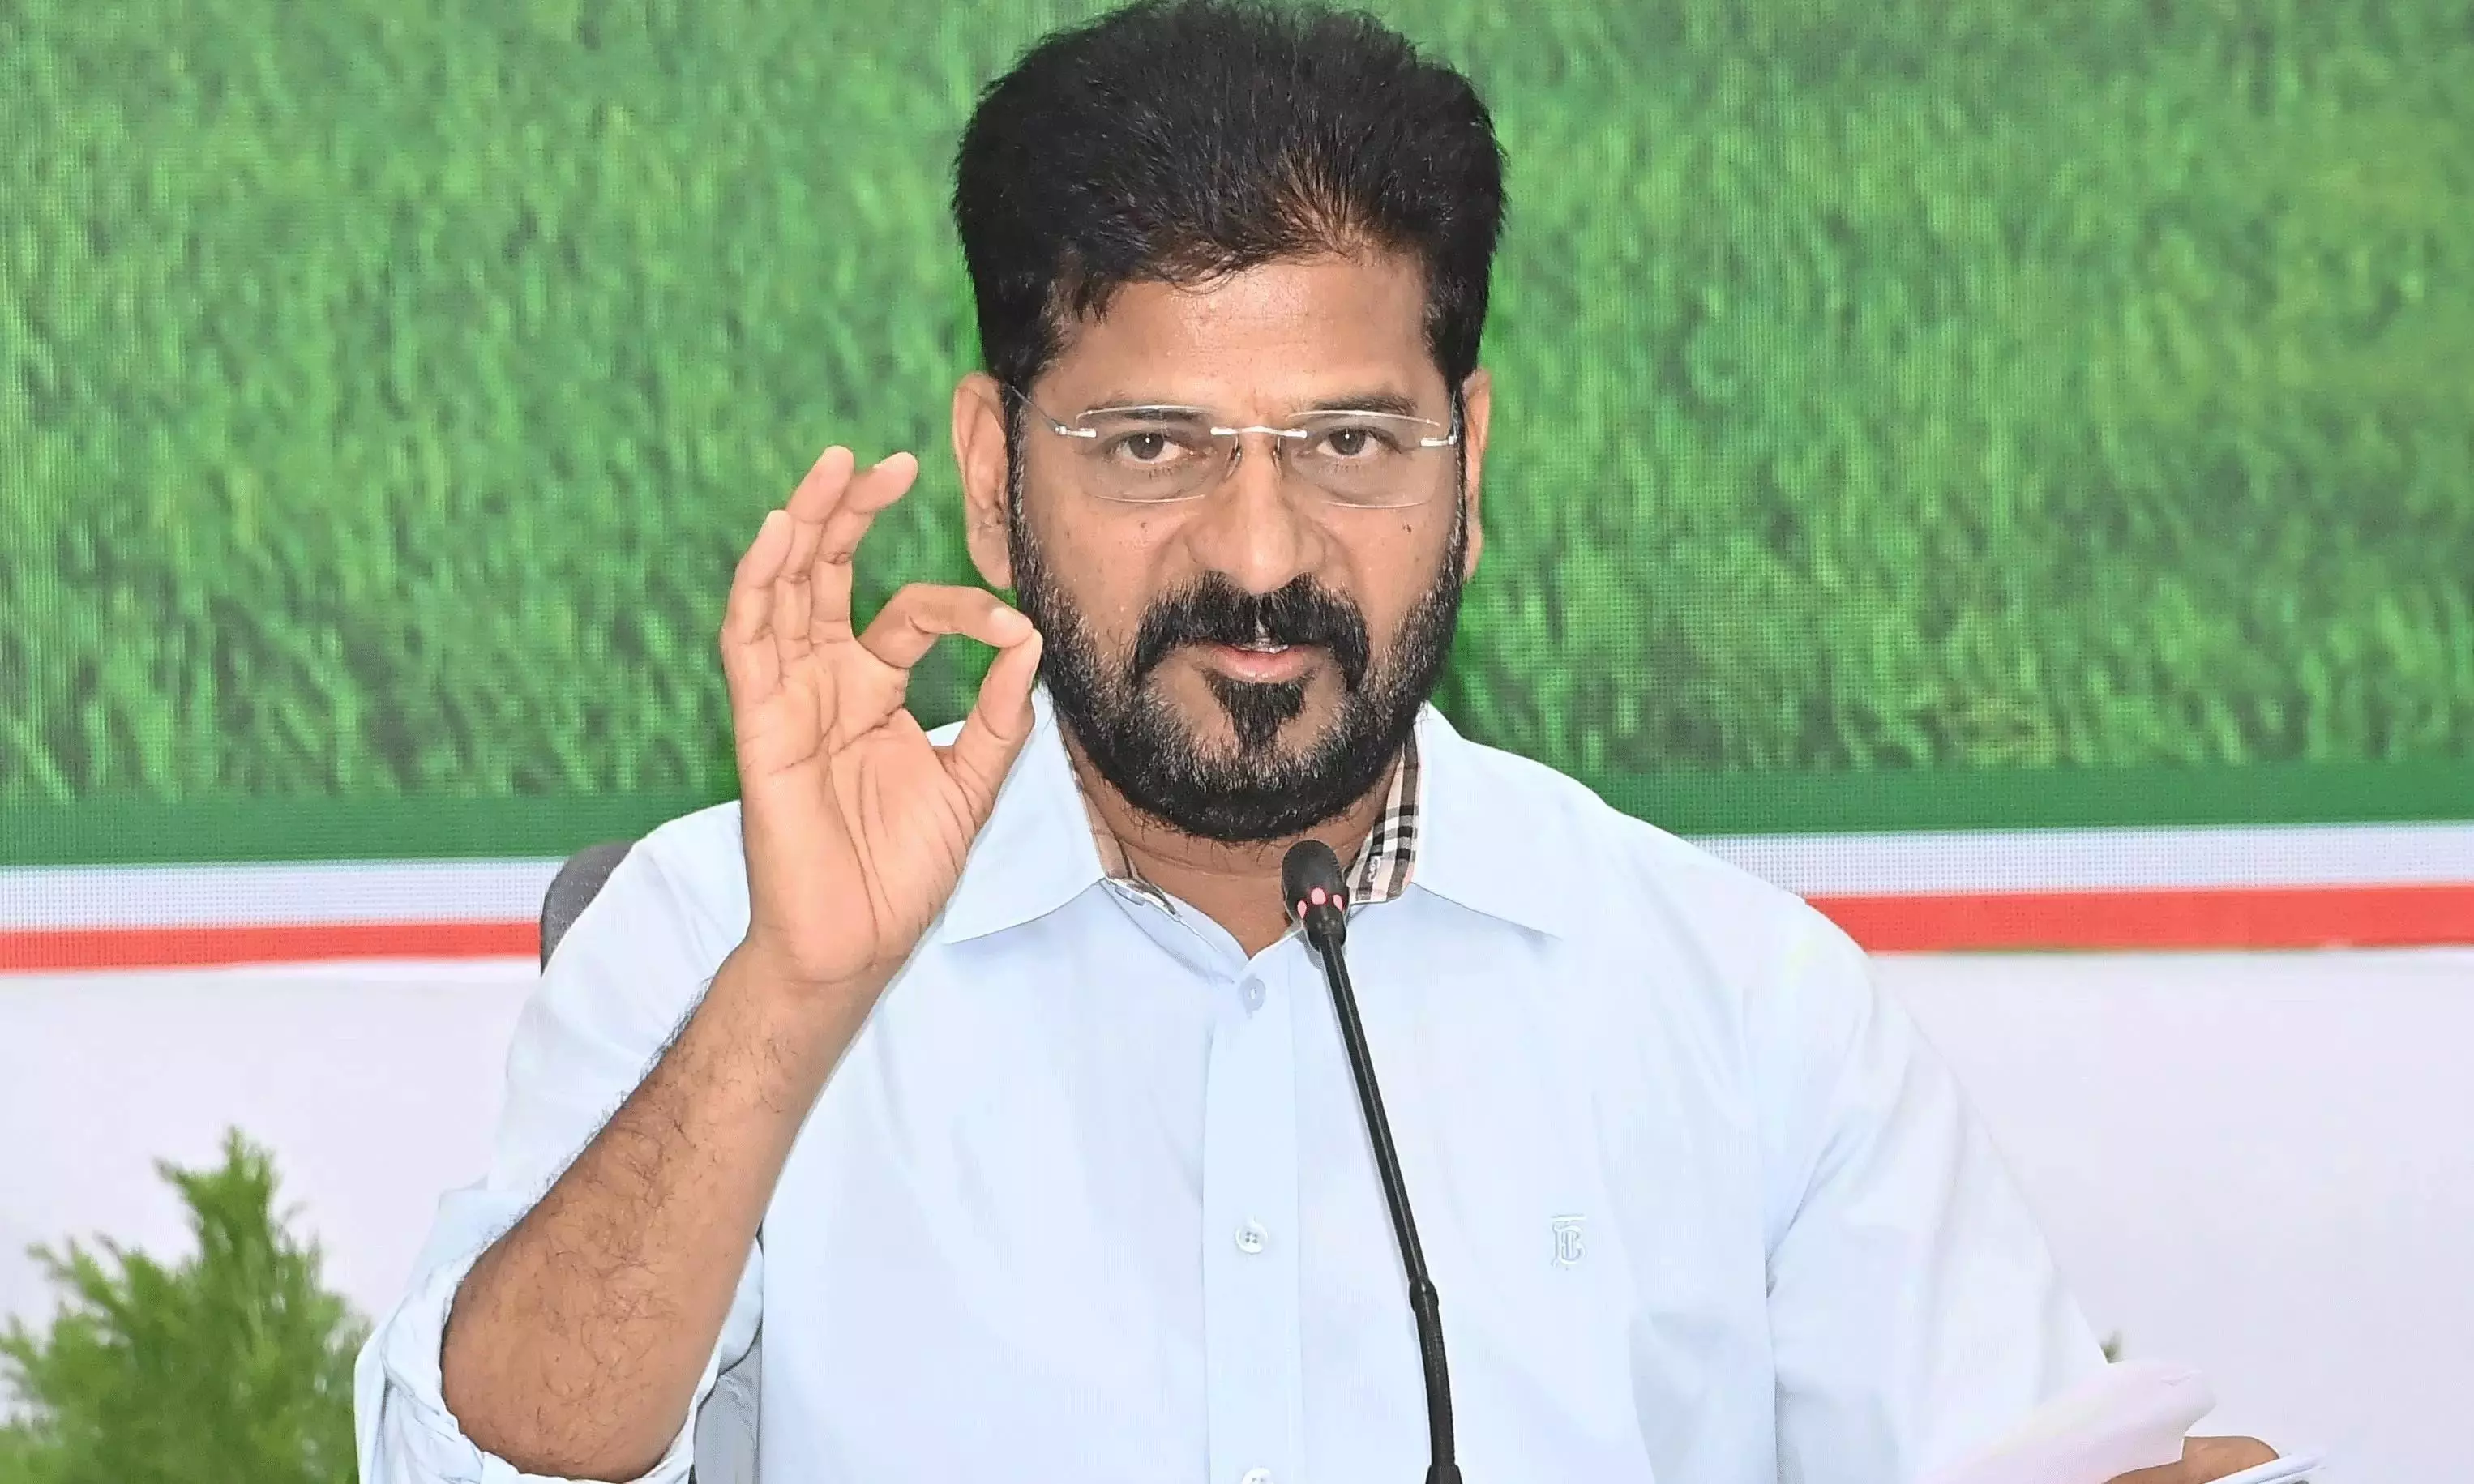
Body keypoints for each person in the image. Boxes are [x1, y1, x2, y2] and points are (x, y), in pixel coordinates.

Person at [355, 2, 2279, 1481]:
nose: (1260, 558)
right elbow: (481, 1465)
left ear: (1468, 465)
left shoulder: (1737, 1006)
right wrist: (794, 1000)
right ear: (991, 476)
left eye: (1349, 444)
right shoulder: (723, 934)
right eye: (1152, 447)